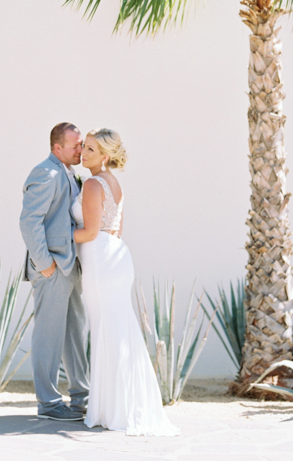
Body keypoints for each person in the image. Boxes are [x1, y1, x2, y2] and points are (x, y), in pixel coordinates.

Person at [73, 128, 179, 436]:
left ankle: (114, 411)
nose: (84, 154)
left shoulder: (93, 183)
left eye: (91, 150)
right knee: (117, 330)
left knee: (108, 330)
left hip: (101, 259)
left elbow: (90, 232)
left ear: (105, 156)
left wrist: (58, 237)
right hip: (115, 256)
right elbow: (115, 228)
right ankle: (118, 407)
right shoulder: (113, 183)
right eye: (84, 148)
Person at [19, 122, 89, 421]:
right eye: (75, 145)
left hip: (69, 266)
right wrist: (45, 263)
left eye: (81, 144)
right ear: (56, 148)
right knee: (48, 335)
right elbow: (29, 221)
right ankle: (48, 403)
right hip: (52, 268)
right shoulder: (45, 173)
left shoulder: (70, 174)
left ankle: (81, 396)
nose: (80, 149)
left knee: (75, 330)